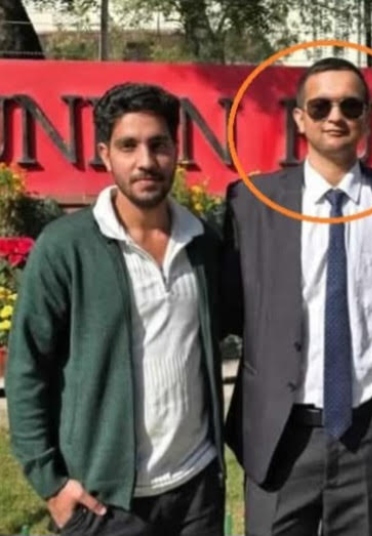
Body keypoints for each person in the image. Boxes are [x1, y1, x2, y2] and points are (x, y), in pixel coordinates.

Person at [222, 57, 372, 536]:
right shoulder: (251, 202)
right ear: (300, 119)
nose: (335, 116)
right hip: (281, 432)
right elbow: (232, 308)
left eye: (349, 105)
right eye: (320, 106)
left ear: (367, 118)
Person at [6, 82, 226, 536]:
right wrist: (52, 484)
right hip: (105, 502)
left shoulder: (202, 242)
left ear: (176, 151)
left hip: (197, 490)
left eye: (158, 144)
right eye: (129, 146)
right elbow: (27, 369)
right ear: (106, 155)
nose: (146, 160)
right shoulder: (66, 248)